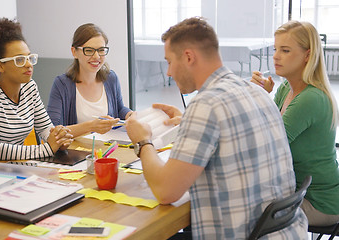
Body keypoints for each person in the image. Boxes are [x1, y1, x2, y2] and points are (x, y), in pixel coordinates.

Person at [125, 17, 307, 239]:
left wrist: (143, 141)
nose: (169, 73)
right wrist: (187, 120)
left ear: (189, 57)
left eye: (170, 62)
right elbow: (229, 134)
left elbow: (166, 191)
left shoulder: (206, 105)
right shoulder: (255, 92)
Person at [251, 20, 339, 226]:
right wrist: (262, 95)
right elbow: (266, 127)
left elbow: (268, 144)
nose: (275, 56)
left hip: (320, 203)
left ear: (307, 55)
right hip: (296, 191)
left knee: (244, 215)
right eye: (276, 49)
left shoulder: (311, 98)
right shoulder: (285, 89)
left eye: (285, 50)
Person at [0, 18, 73, 161]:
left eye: (29, 57)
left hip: (20, 165)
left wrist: (59, 139)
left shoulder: (30, 87)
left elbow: (45, 128)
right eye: (20, 60)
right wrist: (46, 148)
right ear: (0, 66)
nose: (28, 64)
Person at [47, 23, 133, 137]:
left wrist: (130, 114)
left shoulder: (111, 78)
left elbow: (120, 108)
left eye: (101, 50)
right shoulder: (62, 84)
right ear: (74, 52)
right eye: (89, 50)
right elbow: (53, 130)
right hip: (76, 152)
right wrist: (91, 126)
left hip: (106, 150)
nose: (96, 56)